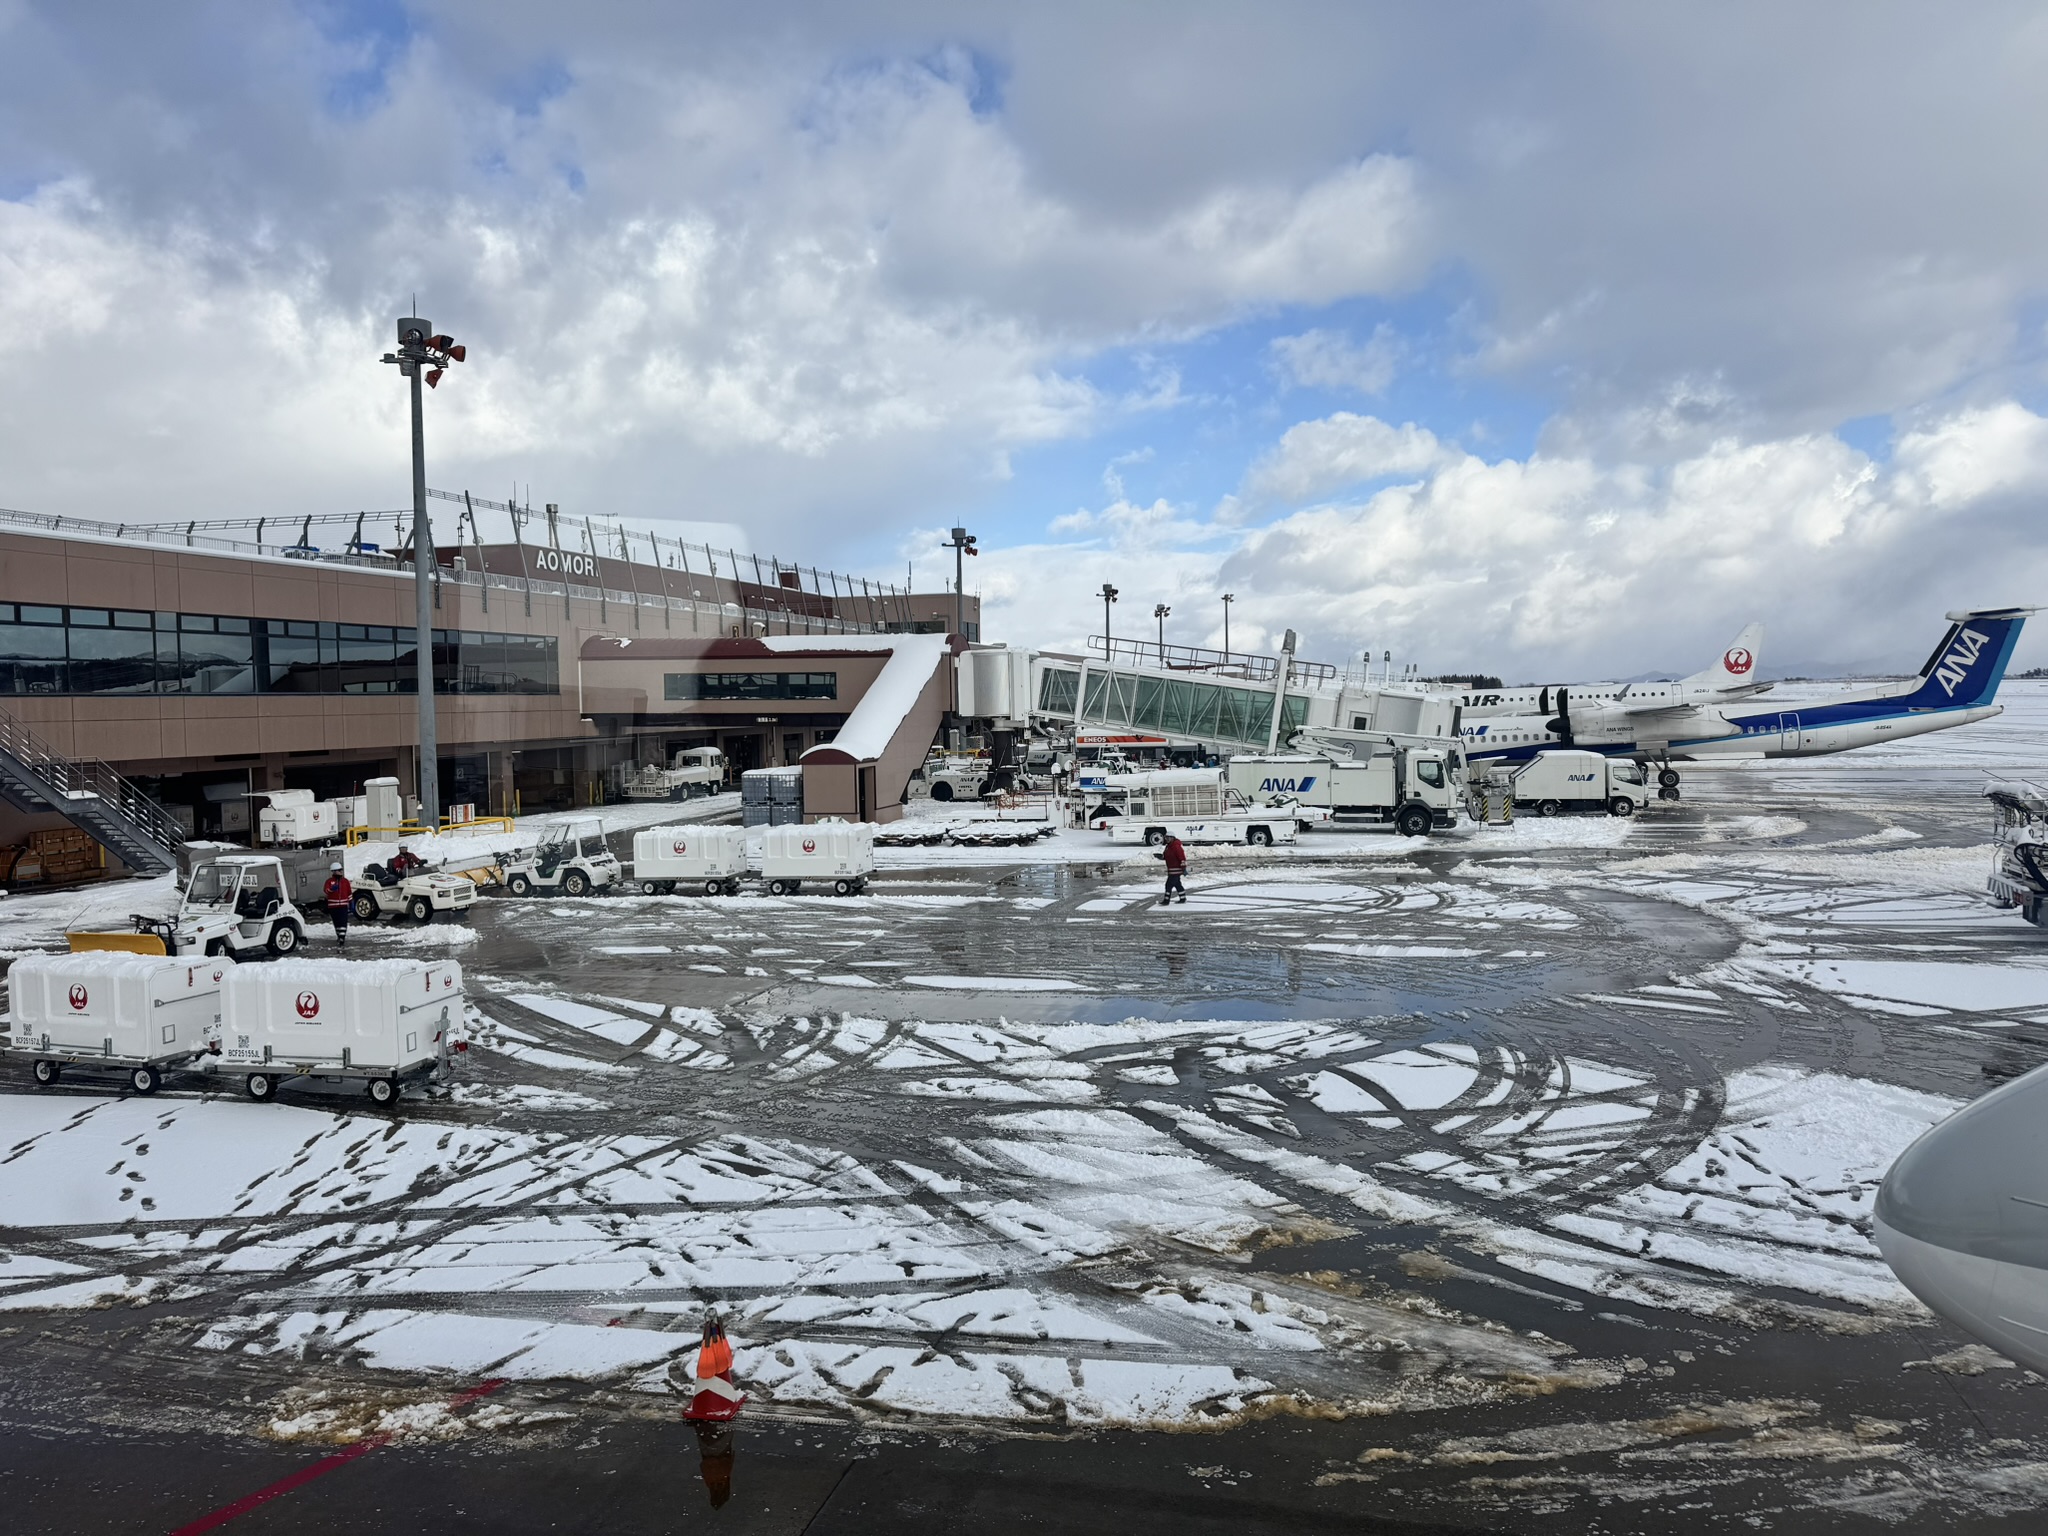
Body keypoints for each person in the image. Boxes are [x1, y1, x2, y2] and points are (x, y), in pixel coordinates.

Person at [322, 861, 352, 946]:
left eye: (340, 870)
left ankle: (342, 938)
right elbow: (326, 890)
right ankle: (339, 936)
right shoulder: (329, 881)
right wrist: (331, 889)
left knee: (343, 922)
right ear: (333, 871)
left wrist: (351, 902)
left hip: (343, 906)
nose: (339, 872)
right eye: (337, 870)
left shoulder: (345, 881)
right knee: (336, 922)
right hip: (333, 906)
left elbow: (349, 893)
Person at [1160, 834, 1188, 906]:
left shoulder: (1176, 846)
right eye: (1166, 837)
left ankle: (1166, 900)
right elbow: (1168, 856)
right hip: (1171, 869)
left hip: (1176, 870)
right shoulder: (1168, 846)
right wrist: (1161, 857)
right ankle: (1183, 898)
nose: (1167, 839)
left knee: (1168, 885)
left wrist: (1183, 868)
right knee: (1177, 884)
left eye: (1169, 838)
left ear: (1173, 838)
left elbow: (1182, 857)